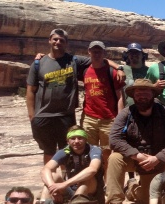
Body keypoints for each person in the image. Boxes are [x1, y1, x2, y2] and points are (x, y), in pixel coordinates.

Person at [26, 28, 123, 167]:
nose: (58, 42)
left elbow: (100, 58)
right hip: (43, 115)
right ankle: (50, 180)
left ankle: (67, 181)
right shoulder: (39, 63)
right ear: (49, 40)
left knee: (68, 149)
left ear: (66, 44)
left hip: (66, 115)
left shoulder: (73, 60)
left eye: (62, 40)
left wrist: (118, 67)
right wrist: (32, 115)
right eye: (55, 39)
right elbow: (30, 91)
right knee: (48, 151)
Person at [106, 79, 165, 204]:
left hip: (155, 161)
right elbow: (114, 139)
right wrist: (137, 155)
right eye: (138, 93)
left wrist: (158, 158)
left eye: (146, 92)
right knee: (114, 158)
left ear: (153, 94)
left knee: (148, 201)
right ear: (133, 96)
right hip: (132, 158)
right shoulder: (126, 113)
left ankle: (133, 189)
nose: (142, 96)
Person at [39, 125, 104, 204]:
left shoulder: (94, 150)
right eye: (72, 138)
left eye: (80, 138)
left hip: (92, 193)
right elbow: (46, 169)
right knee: (53, 175)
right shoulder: (65, 151)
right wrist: (53, 188)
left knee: (87, 179)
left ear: (86, 139)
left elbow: (92, 169)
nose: (76, 141)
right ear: (68, 141)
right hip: (71, 192)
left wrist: (64, 184)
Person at [81, 41, 125, 168]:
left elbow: (120, 97)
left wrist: (120, 118)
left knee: (108, 154)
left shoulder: (113, 72)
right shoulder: (84, 71)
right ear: (89, 52)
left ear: (104, 53)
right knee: (89, 152)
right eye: (94, 51)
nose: (96, 54)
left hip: (109, 119)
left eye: (99, 51)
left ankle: (107, 184)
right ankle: (95, 184)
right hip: (89, 118)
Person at [121, 42, 149, 107]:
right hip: (127, 109)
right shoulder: (122, 70)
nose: (134, 55)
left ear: (142, 55)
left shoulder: (149, 71)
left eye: (136, 52)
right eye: (131, 53)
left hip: (146, 109)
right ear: (127, 55)